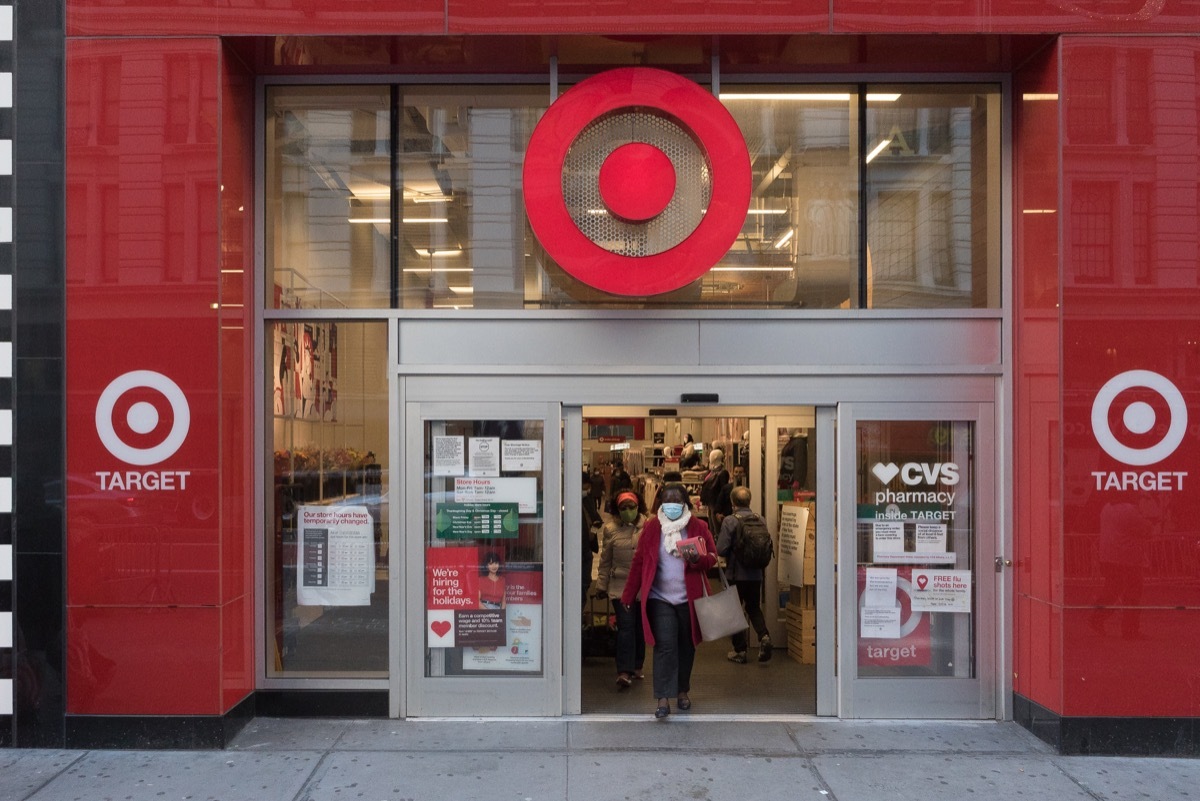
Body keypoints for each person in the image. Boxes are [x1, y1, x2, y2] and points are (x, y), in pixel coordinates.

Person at [621, 482, 717, 719]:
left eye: (676, 500)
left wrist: (697, 559)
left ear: (684, 502)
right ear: (661, 502)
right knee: (665, 645)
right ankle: (663, 698)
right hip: (660, 598)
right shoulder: (653, 528)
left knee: (686, 645)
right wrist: (629, 594)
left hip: (689, 598)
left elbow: (713, 557)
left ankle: (682, 691)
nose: (672, 505)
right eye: (667, 500)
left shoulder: (699, 526)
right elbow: (639, 562)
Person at [594, 490, 647, 688]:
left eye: (631, 507)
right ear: (617, 509)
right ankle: (624, 671)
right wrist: (601, 585)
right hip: (620, 585)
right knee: (626, 627)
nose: (628, 511)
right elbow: (605, 559)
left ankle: (637, 664)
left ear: (638, 507)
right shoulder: (611, 529)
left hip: (643, 585)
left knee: (640, 626)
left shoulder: (648, 526)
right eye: (623, 508)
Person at [716, 486, 773, 663]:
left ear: (732, 502)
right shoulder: (760, 519)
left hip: (735, 573)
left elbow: (721, 548)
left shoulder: (730, 521)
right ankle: (764, 637)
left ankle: (740, 651)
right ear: (749, 500)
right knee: (753, 607)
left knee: (734, 610)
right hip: (755, 574)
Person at [582, 471, 603, 603]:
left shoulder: (587, 500)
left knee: (586, 581)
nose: (587, 489)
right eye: (585, 486)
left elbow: (597, 518)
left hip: (587, 549)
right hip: (575, 549)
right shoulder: (566, 502)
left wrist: (593, 531)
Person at [700, 448, 730, 532]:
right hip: (711, 503)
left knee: (716, 528)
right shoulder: (713, 471)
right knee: (712, 528)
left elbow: (723, 489)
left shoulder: (722, 473)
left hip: (716, 503)